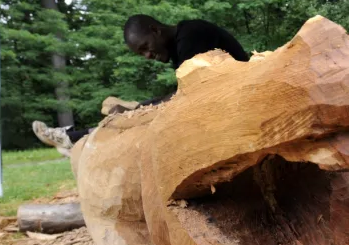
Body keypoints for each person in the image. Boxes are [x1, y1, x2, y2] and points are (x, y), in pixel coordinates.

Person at [33, 15, 249, 153]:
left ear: (155, 30)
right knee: (136, 113)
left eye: (146, 47)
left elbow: (190, 93)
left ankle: (73, 138)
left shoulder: (192, 34)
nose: (147, 56)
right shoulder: (183, 42)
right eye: (141, 53)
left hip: (239, 103)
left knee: (140, 117)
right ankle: (75, 137)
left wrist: (138, 109)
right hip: (226, 101)